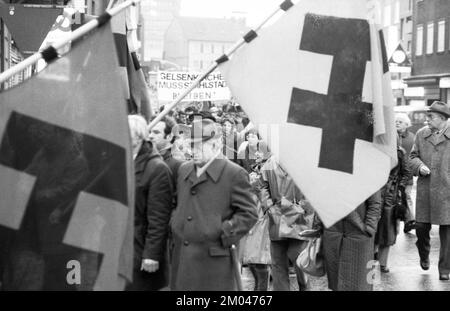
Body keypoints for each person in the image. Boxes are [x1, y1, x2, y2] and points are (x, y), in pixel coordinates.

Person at [169, 118, 258, 290]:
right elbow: (176, 203)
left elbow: (249, 214)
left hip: (214, 262)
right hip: (183, 260)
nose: (192, 150)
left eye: (197, 145)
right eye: (190, 145)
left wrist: (222, 231)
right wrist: (176, 223)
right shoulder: (184, 170)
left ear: (216, 145)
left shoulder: (234, 173)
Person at [126, 115, 174, 290]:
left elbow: (159, 219)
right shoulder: (121, 161)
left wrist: (151, 255)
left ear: (138, 137)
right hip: (121, 246)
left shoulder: (157, 169)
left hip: (140, 251)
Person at [409, 101, 450, 281]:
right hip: (426, 190)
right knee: (421, 228)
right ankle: (424, 255)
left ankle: (444, 269)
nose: (427, 120)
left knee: (447, 233)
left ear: (442, 119)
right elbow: (412, 157)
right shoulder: (421, 134)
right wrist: (419, 166)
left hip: (447, 191)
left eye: (430, 116)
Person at [260, 154, 313, 291]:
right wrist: (269, 207)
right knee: (278, 263)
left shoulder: (304, 162)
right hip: (276, 219)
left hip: (298, 220)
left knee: (298, 257)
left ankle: (304, 285)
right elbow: (262, 186)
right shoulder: (270, 164)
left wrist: (302, 207)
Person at [322, 191, 382, 291]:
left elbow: (375, 204)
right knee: (336, 282)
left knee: (360, 283)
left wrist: (369, 228)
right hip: (333, 235)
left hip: (359, 236)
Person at [375, 141, 412, 273]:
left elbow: (407, 173)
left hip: (390, 196)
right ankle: (372, 258)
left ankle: (382, 262)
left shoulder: (399, 152)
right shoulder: (372, 147)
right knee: (371, 226)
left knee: (387, 229)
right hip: (373, 191)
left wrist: (398, 187)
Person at [395, 113, 416, 233]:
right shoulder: (391, 136)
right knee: (395, 200)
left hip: (407, 174)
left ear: (407, 125)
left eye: (400, 122)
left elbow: (415, 156)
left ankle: (410, 221)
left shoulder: (413, 138)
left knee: (406, 196)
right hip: (393, 175)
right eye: (396, 121)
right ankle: (399, 224)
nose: (397, 123)